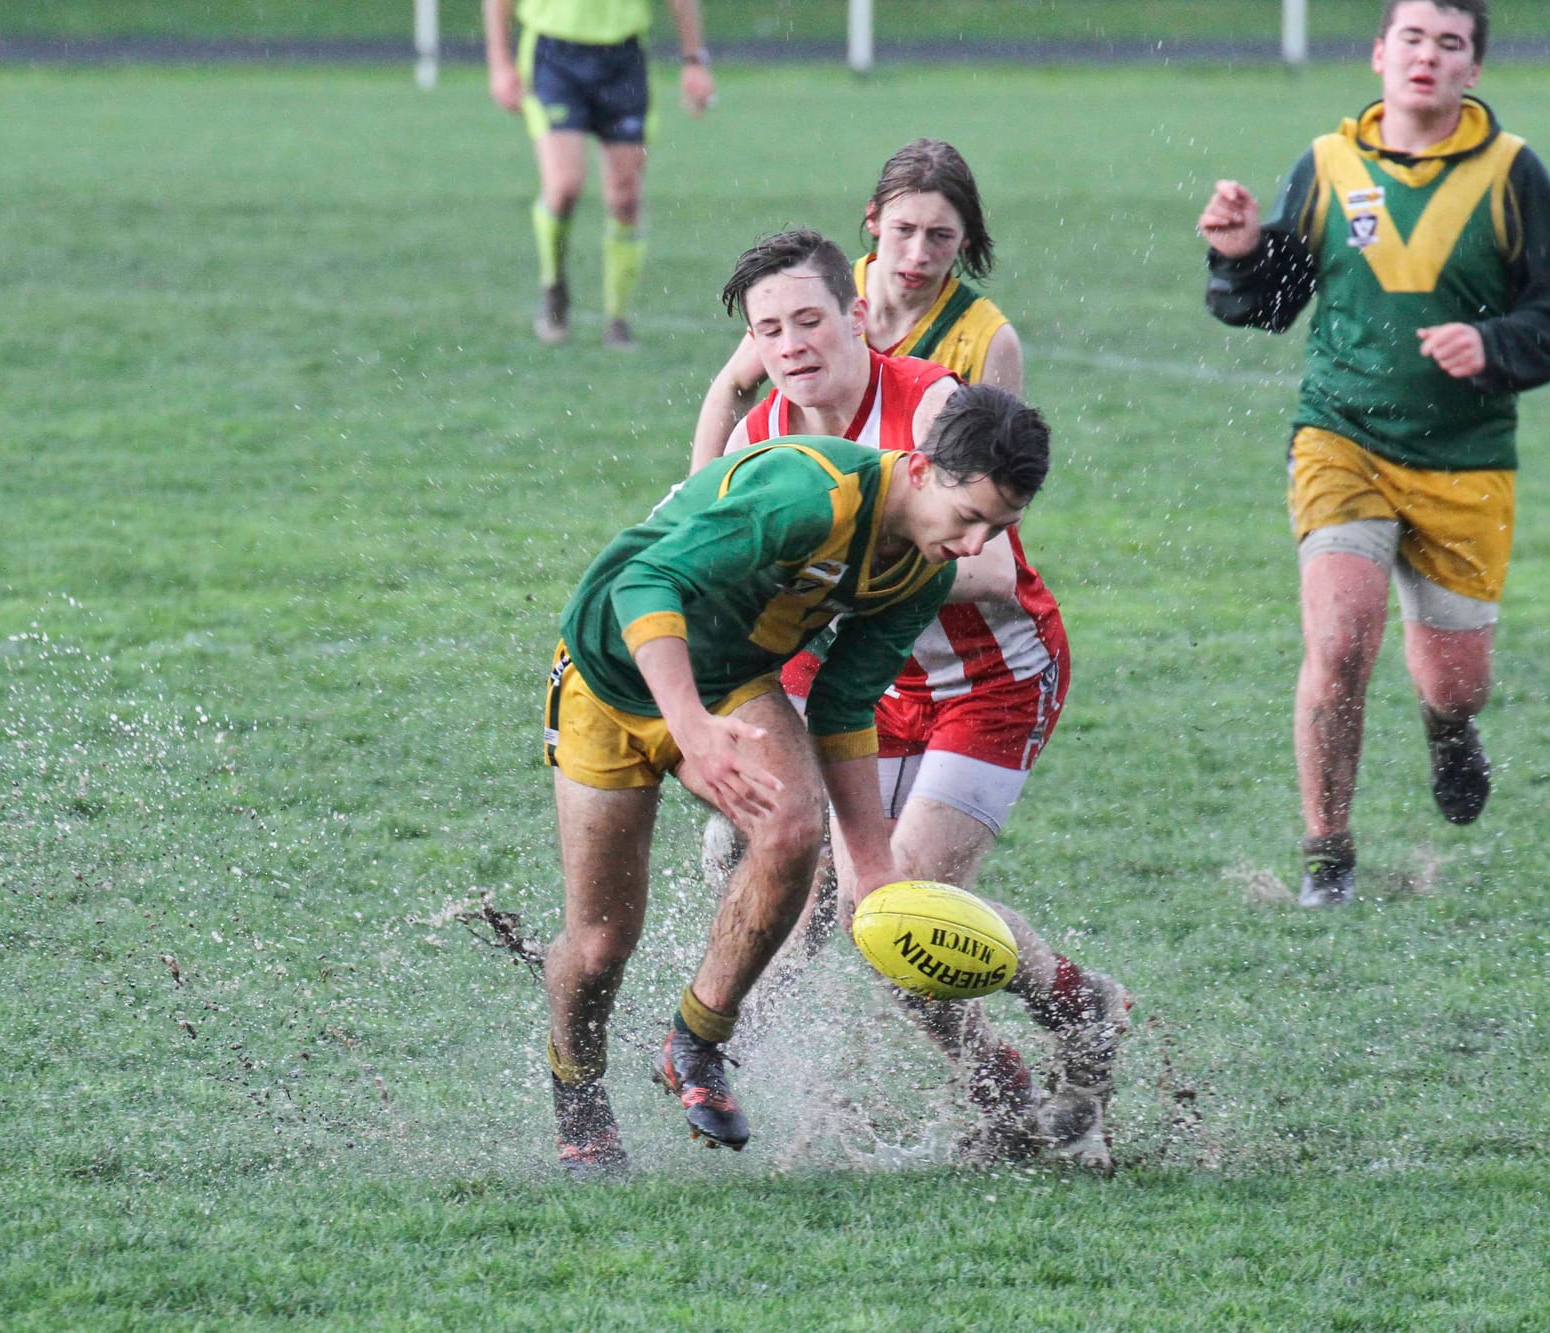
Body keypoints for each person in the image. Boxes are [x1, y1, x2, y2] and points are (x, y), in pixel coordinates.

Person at [695, 228, 1130, 1168]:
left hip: (988, 676)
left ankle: (1080, 1003)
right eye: (770, 331)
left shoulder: (931, 403)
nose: (794, 344)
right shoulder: (758, 440)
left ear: (856, 314)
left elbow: (996, 569)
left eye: (810, 319)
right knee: (874, 915)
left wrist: (831, 571)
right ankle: (999, 1082)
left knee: (896, 900)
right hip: (858, 688)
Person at [542, 385, 1051, 1178]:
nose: (977, 542)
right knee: (603, 942)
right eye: (969, 517)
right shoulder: (808, 497)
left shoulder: (918, 566)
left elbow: (846, 703)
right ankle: (577, 1094)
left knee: (792, 824)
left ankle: (698, 1040)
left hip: (730, 679)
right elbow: (642, 585)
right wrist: (693, 732)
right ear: (920, 468)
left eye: (1000, 528)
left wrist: (876, 868)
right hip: (610, 674)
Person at [1197, 0, 1550, 906]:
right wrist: (1243, 253)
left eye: (1450, 44)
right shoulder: (1329, 163)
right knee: (1339, 644)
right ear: (1379, 54)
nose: (1428, 56)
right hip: (1343, 437)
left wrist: (1493, 347)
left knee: (1460, 681)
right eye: (1412, 38)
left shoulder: (1511, 172)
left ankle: (1449, 730)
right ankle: (1326, 854)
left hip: (1467, 461)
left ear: (1472, 70)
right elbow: (1272, 301)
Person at [691, 138, 1022, 472]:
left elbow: (997, 480)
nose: (918, 254)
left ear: (965, 237)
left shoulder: (988, 337)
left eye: (940, 235)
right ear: (873, 218)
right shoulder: (814, 296)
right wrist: (699, 500)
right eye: (904, 230)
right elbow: (733, 385)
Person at [483, 0, 715, 349]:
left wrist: (694, 59)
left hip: (623, 57)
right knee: (564, 187)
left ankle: (617, 319)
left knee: (626, 198)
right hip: (553, 55)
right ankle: (554, 285)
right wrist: (500, 63)